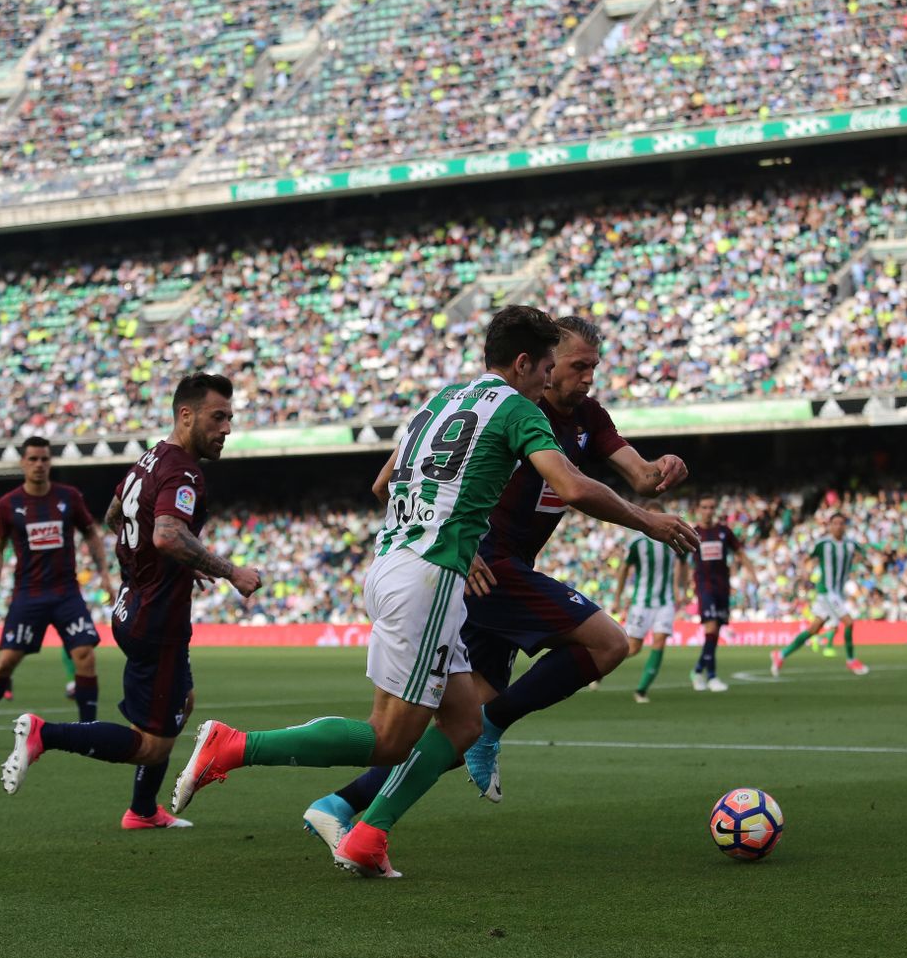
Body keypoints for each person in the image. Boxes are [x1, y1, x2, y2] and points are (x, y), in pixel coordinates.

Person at [168, 306, 699, 877]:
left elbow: (382, 483)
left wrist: (452, 532)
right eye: (549, 367)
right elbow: (570, 485)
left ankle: (366, 835)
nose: (550, 380)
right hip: (430, 579)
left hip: (404, 563)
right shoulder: (519, 409)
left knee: (466, 721)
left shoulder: (443, 399)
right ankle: (234, 747)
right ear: (524, 363)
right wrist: (648, 521)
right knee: (389, 738)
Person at [301, 315, 690, 844]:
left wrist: (663, 468)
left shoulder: (589, 417)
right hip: (484, 567)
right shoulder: (504, 409)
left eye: (592, 368)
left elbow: (642, 477)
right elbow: (388, 482)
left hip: (502, 571)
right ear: (540, 366)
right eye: (576, 366)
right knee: (609, 643)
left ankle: (343, 805)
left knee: (458, 725)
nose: (586, 377)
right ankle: (492, 726)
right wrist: (454, 541)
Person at [0, 374, 264, 829]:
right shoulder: (182, 470)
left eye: (230, 418)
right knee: (152, 745)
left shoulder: (149, 458)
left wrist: (177, 561)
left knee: (186, 699)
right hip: (157, 619)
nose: (227, 429)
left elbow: (115, 514)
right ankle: (46, 734)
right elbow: (165, 533)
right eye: (218, 417)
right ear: (186, 414)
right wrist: (231, 571)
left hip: (133, 604)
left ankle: (143, 809)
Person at [0, 437, 112, 750]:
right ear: (23, 463)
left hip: (66, 593)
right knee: (6, 662)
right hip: (28, 595)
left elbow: (91, 532)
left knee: (85, 655)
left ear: (50, 462)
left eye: (44, 459)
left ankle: (89, 731)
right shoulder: (8, 504)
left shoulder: (69, 497)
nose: (39, 465)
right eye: (33, 459)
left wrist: (103, 573)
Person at [771, 512, 871, 676]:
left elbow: (864, 556)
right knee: (849, 622)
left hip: (838, 592)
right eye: (835, 523)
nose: (838, 526)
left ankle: (781, 654)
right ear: (830, 526)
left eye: (841, 523)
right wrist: (805, 572)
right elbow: (806, 558)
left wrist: (862, 560)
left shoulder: (851, 544)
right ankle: (851, 660)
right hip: (826, 591)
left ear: (845, 526)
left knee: (814, 629)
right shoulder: (823, 544)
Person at [615, 502, 684, 703]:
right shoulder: (637, 542)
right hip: (641, 603)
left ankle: (642, 690)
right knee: (633, 647)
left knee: (660, 640)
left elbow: (683, 562)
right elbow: (624, 571)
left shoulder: (672, 539)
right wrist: (618, 598)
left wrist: (681, 590)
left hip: (665, 602)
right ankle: (602, 666)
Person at [687, 496, 753, 691]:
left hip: (722, 588)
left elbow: (740, 553)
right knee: (711, 628)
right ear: (698, 509)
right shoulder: (693, 533)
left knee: (714, 632)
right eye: (705, 507)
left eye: (711, 507)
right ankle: (712, 676)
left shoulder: (724, 532)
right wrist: (679, 586)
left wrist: (752, 573)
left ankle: (698, 670)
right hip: (704, 587)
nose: (708, 510)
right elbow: (681, 561)